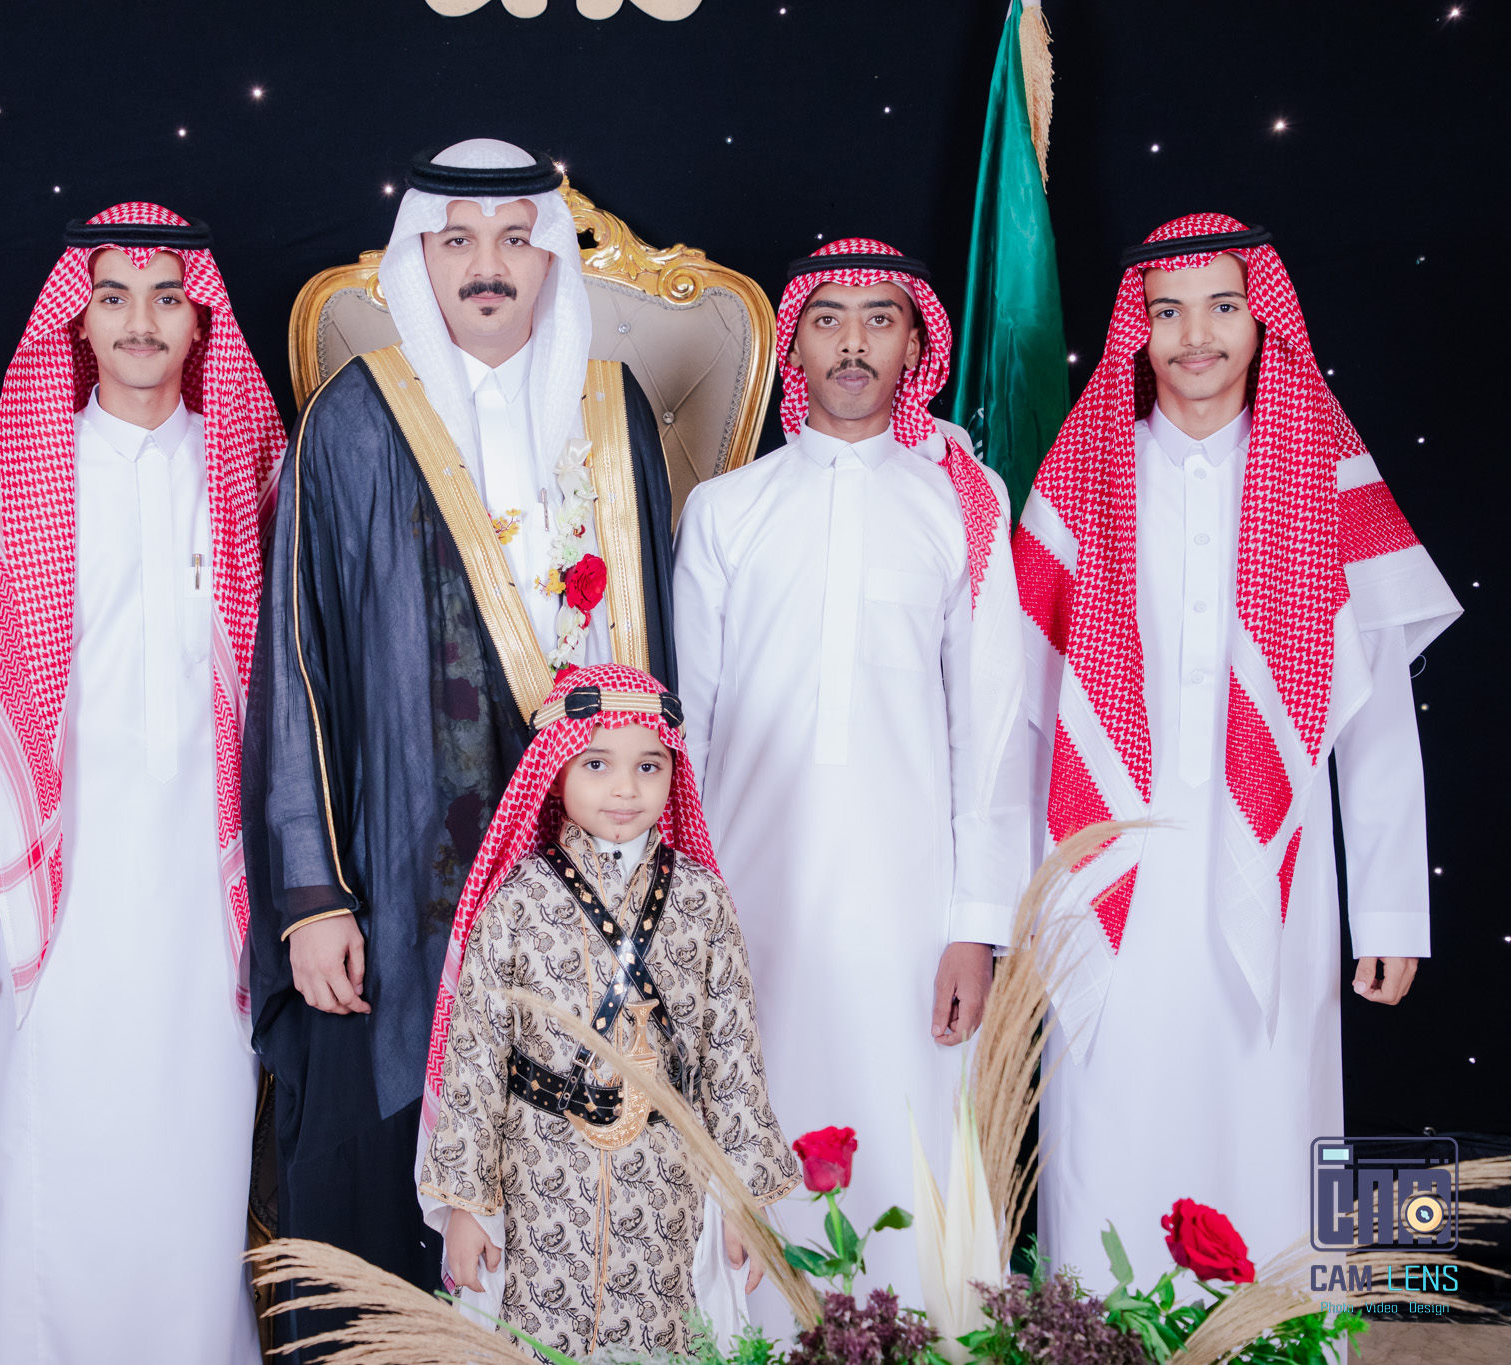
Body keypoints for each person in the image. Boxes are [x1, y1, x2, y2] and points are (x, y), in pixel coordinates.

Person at [244, 137, 678, 1304]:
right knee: (383, 1209)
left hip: (585, 873)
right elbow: (296, 667)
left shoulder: (610, 414)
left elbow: (660, 670)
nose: (486, 265)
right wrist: (312, 897)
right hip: (396, 880)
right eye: (457, 241)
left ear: (549, 260)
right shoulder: (351, 420)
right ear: (419, 260)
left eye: (513, 240)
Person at [1016, 215, 1461, 1288]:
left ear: (1263, 322)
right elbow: (1023, 711)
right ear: (1137, 331)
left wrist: (1391, 912)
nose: (1194, 336)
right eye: (1166, 312)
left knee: (1270, 1114)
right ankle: (1098, 1347)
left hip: (1278, 873)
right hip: (1107, 871)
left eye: (1222, 307)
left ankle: (1278, 1346)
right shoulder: (1087, 474)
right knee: (1108, 1118)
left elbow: (1374, 718)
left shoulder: (1320, 475)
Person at [0, 203, 283, 1362]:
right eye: (115, 297)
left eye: (167, 297)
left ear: (200, 322)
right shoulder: (8, 471)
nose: (141, 321)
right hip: (52, 886)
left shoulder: (249, 468)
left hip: (207, 887)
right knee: (57, 1155)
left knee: (195, 1159)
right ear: (75, 323)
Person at [672, 239, 1030, 1320]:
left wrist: (975, 926)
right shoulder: (726, 509)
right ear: (795, 345)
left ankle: (913, 1336)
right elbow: (689, 733)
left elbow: (990, 728)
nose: (853, 343)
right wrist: (683, 912)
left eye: (880, 319)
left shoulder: (961, 503)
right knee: (751, 1121)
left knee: (907, 1131)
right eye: (828, 318)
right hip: (749, 896)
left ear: (915, 343)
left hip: (910, 906)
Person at [419, 664, 798, 1359]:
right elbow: (475, 1058)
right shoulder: (518, 901)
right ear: (556, 769)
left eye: (649, 766)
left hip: (666, 1186)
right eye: (597, 763)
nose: (626, 788)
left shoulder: (702, 901)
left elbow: (734, 1060)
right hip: (539, 1180)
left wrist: (745, 1200)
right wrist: (467, 1207)